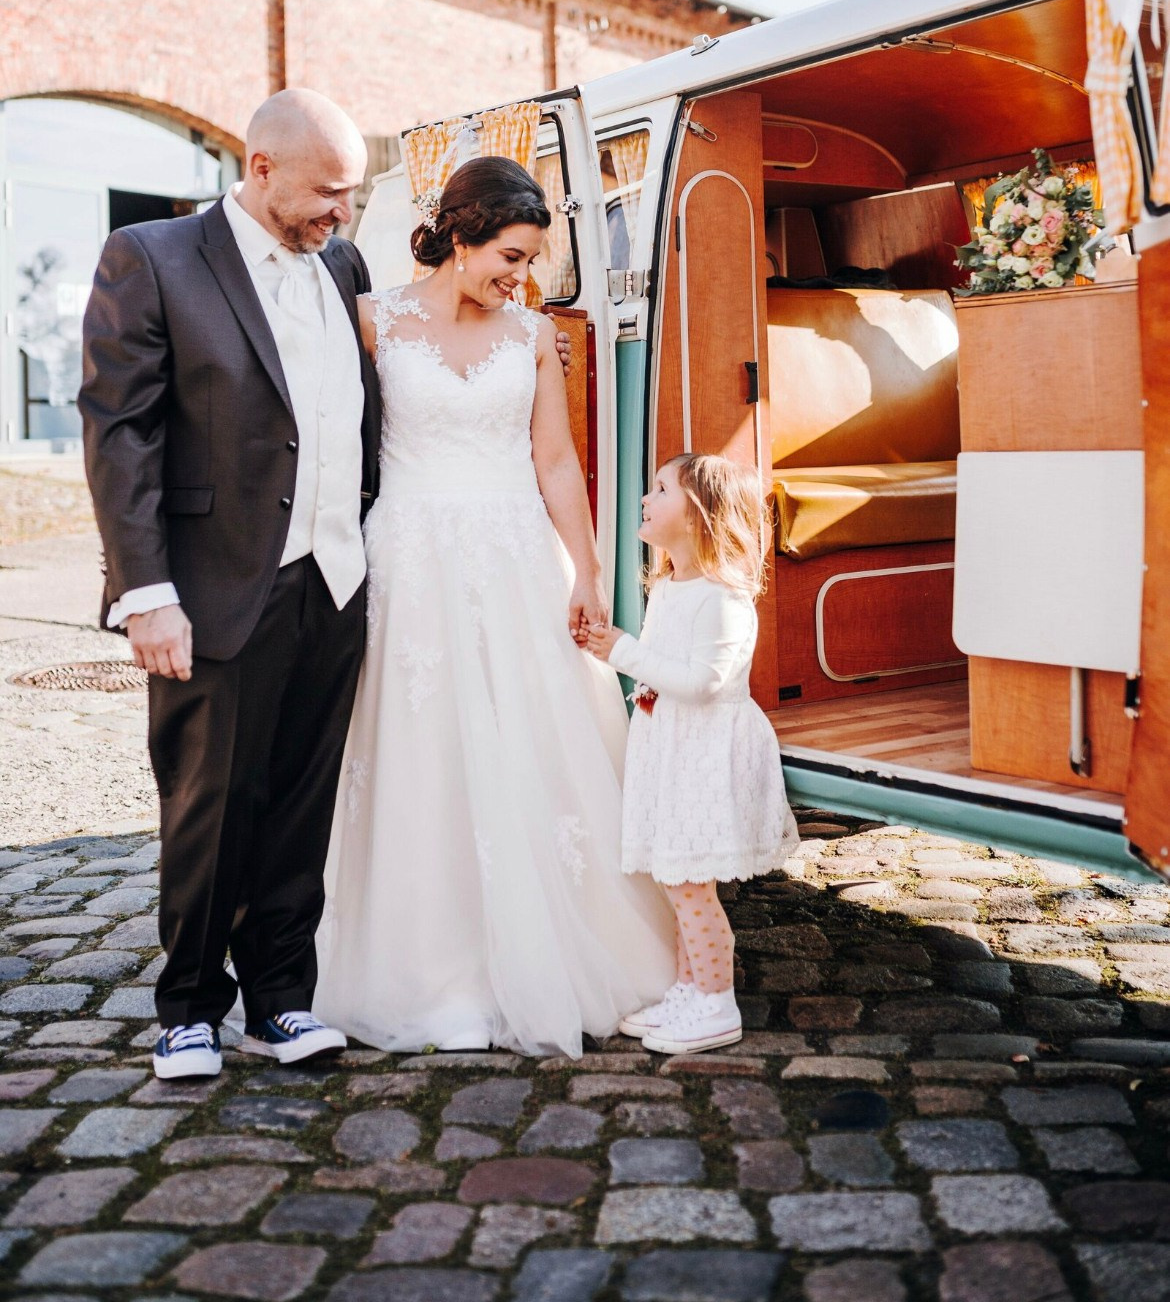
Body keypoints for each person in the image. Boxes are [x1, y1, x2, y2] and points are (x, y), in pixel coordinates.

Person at [316, 156, 675, 1055]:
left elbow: (555, 462)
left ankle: (562, 947)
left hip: (520, 556)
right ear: (460, 231)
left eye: (529, 261)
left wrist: (589, 574)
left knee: (538, 745)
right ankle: (428, 966)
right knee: (420, 751)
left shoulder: (530, 335)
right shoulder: (370, 322)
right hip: (413, 557)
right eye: (510, 255)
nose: (520, 277)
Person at [79, 90, 385, 1079]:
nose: (340, 212)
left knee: (303, 801)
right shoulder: (153, 258)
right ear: (260, 167)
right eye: (326, 190)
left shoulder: (342, 262)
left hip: (334, 578)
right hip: (214, 584)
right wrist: (144, 590)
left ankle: (281, 1002)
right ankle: (188, 1007)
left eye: (351, 194)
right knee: (211, 801)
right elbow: (122, 431)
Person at [585, 453, 799, 1056]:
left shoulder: (723, 596)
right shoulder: (671, 587)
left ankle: (716, 1001)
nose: (646, 500)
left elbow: (706, 681)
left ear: (701, 514)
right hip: (673, 747)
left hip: (706, 753)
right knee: (675, 878)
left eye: (661, 490)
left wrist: (623, 653)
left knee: (690, 887)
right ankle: (687, 987)